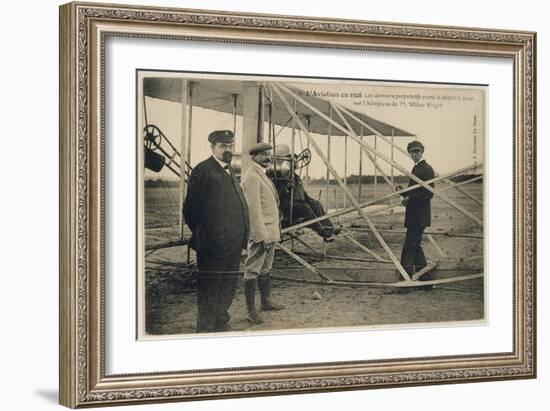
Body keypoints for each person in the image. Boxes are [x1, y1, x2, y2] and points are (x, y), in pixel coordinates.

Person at [183, 130, 249, 332]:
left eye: (230, 146)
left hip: (233, 244)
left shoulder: (230, 171)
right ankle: (205, 330)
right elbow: (190, 209)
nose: (227, 149)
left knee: (227, 287)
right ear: (213, 147)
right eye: (223, 146)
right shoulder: (203, 171)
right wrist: (207, 235)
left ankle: (221, 323)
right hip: (213, 246)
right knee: (210, 288)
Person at [241, 142, 286, 325]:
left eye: (269, 154)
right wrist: (262, 235)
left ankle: (265, 302)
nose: (268, 157)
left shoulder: (262, 174)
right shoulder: (252, 176)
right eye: (263, 154)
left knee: (266, 269)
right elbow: (253, 210)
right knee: (252, 270)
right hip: (262, 234)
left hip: (270, 232)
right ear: (254, 157)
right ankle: (251, 311)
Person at [268, 144, 341, 242]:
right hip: (287, 209)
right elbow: (278, 196)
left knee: (316, 204)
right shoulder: (279, 178)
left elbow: (303, 193)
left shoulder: (296, 177)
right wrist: (287, 187)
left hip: (298, 206)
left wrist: (310, 200)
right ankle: (322, 231)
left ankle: (329, 228)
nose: (295, 164)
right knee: (305, 207)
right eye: (292, 162)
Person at [399, 140, 435, 284]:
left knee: (409, 247)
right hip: (415, 215)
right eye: (412, 152)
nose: (415, 154)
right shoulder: (417, 168)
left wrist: (409, 199)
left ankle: (404, 279)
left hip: (419, 216)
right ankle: (425, 280)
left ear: (422, 152)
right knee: (415, 246)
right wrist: (404, 193)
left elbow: (428, 194)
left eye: (417, 151)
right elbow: (415, 192)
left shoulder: (426, 169)